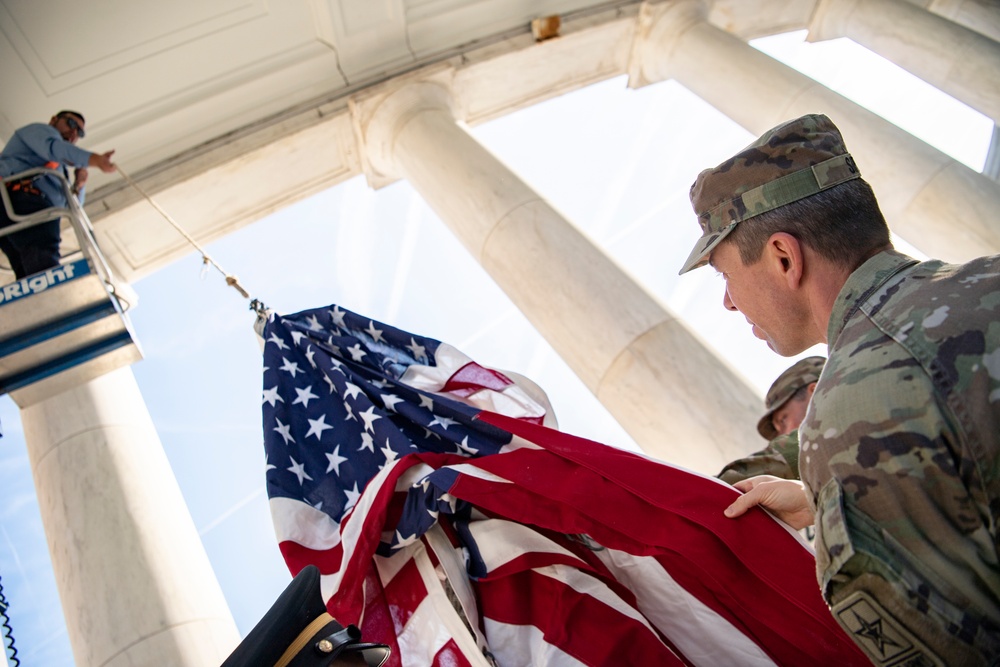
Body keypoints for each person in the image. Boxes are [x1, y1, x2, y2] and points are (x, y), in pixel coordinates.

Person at [678, 113, 1000, 665]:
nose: (729, 301)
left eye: (724, 274)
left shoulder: (848, 418)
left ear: (783, 256)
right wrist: (824, 502)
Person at [0, 111, 116, 279]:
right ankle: (50, 294)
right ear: (54, 120)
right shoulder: (39, 133)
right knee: (43, 259)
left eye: (80, 132)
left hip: (17, 208)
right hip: (20, 199)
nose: (74, 132)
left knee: (26, 271)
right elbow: (55, 148)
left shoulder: (58, 171)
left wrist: (79, 184)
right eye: (71, 123)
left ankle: (37, 301)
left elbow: (71, 208)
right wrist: (95, 159)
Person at [717, 356, 824, 485]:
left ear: (815, 393)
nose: (783, 435)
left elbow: (727, 483)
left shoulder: (824, 434)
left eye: (783, 419)